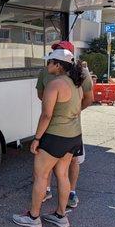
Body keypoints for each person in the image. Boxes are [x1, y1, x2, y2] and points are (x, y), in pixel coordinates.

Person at [13, 48, 84, 227]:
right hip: (73, 136)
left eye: (49, 62)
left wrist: (36, 139)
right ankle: (61, 216)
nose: (47, 66)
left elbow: (46, 115)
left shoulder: (55, 84)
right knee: (62, 174)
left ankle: (33, 217)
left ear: (58, 65)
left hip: (55, 136)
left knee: (41, 175)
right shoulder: (76, 83)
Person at [36, 41, 94, 208]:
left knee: (69, 163)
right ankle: (50, 196)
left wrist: (70, 112)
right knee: (57, 169)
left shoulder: (81, 73)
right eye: (55, 50)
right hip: (57, 127)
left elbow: (89, 98)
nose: (56, 53)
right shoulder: (45, 72)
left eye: (60, 51)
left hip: (68, 127)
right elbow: (42, 96)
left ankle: (71, 193)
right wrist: (57, 105)